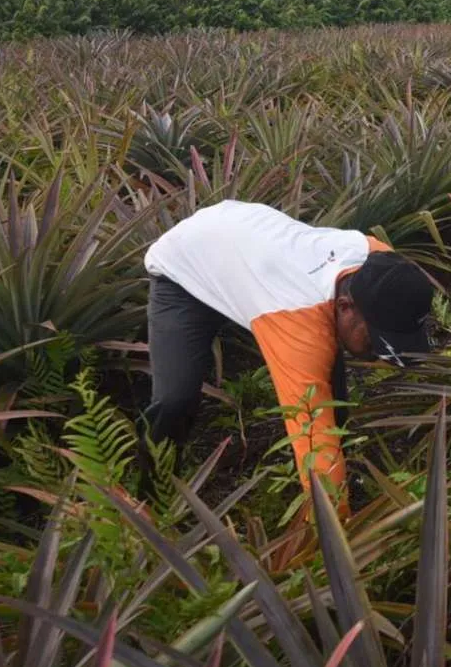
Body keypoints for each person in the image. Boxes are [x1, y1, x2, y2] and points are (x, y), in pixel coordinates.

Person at [138, 200, 435, 514]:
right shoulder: (297, 319)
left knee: (331, 389)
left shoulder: (381, 262)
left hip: (243, 242)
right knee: (175, 398)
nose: (377, 354)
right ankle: (151, 500)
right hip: (185, 268)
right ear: (345, 307)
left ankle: (345, 468)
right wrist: (335, 530)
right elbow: (312, 434)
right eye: (375, 340)